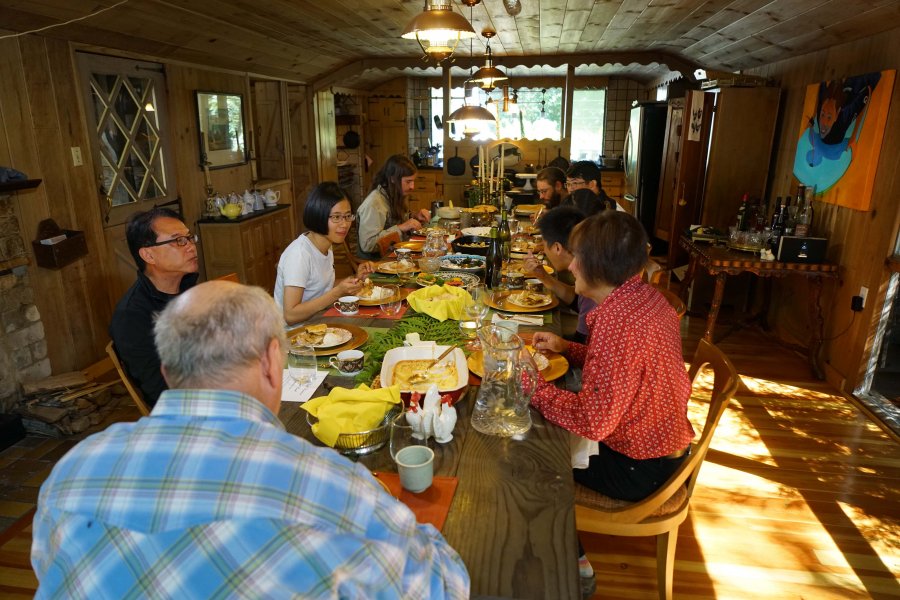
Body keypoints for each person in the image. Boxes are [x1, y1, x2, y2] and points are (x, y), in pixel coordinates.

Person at [32, 281, 471, 599]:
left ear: (167, 371)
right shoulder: (325, 484)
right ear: (271, 362)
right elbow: (444, 585)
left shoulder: (71, 472)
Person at [528, 211, 692, 594]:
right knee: (544, 424)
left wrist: (530, 385)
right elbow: (622, 367)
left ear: (598, 265)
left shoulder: (617, 322)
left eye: (578, 256)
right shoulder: (640, 298)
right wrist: (567, 347)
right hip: (665, 449)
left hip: (640, 468)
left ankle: (573, 568)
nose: (571, 264)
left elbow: (593, 423)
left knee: (532, 456)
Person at [108, 207, 200, 408]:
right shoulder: (131, 315)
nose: (191, 247)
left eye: (189, 238)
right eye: (178, 241)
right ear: (148, 255)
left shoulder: (187, 288)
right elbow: (161, 391)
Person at [274, 181, 374, 325]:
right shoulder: (299, 255)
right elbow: (290, 315)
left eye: (347, 216)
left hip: (322, 320)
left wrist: (355, 279)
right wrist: (337, 293)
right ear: (318, 215)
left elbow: (320, 286)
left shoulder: (326, 245)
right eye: (336, 217)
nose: (344, 224)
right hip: (297, 333)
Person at [524, 206, 595, 343]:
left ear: (557, 247)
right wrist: (544, 277)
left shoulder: (591, 279)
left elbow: (582, 345)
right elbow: (579, 302)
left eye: (544, 244)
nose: (543, 251)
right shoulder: (591, 262)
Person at [356, 154, 431, 259]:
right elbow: (368, 244)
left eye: (413, 181)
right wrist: (401, 228)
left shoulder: (393, 193)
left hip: (394, 253)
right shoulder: (374, 203)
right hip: (376, 261)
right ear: (393, 179)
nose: (412, 186)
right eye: (408, 181)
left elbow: (392, 222)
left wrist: (414, 217)